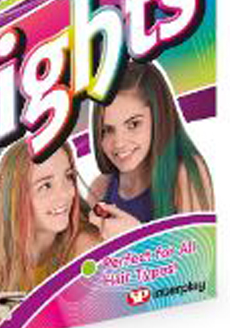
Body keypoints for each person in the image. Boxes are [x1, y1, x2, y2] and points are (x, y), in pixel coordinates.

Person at [89, 61, 214, 230]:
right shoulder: (100, 188)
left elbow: (200, 246)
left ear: (158, 116)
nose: (119, 143)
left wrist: (135, 235)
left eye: (133, 124)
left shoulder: (184, 174)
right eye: (107, 130)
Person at [0, 140, 101, 295]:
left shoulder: (87, 249)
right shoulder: (0, 263)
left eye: (68, 177)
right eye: (46, 185)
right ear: (15, 199)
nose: (66, 194)